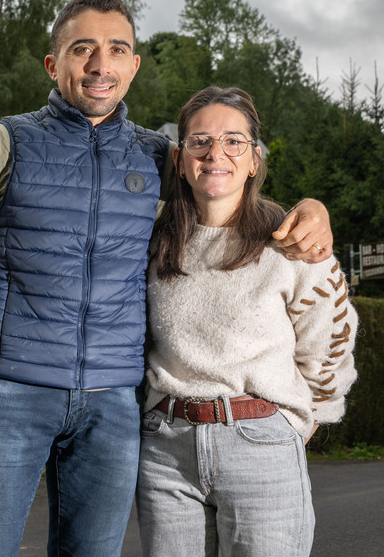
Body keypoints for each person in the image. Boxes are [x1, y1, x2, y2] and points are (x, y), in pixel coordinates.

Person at [0, 0, 333, 557]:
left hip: (114, 402)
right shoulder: (0, 144)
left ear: (134, 66)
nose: (100, 64)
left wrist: (310, 210)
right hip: (9, 390)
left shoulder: (156, 156)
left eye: (117, 50)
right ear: (54, 62)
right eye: (82, 48)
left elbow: (225, 187)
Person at [137, 86, 357, 557]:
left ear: (254, 159)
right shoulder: (150, 240)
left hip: (259, 441)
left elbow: (331, 337)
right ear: (180, 159)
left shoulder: (292, 242)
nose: (216, 153)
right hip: (165, 451)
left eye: (234, 141)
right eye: (200, 141)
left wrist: (306, 416)